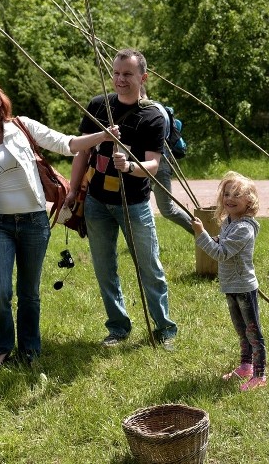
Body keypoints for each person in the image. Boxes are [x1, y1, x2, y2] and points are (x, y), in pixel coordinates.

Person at [0, 76, 119, 371]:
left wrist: (101, 136)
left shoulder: (22, 127)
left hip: (34, 222)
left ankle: (30, 348)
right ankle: (2, 347)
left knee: (29, 291)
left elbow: (67, 144)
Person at [67, 48, 179, 350]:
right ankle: (118, 327)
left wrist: (129, 166)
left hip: (134, 204)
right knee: (105, 268)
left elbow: (154, 164)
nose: (119, 79)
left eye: (127, 74)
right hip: (97, 202)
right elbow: (83, 153)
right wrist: (72, 190)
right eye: (116, 73)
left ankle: (165, 328)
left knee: (149, 266)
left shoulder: (153, 116)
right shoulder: (98, 106)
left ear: (143, 77)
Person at [192, 171, 268, 391]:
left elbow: (221, 253)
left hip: (244, 288)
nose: (230, 199)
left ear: (249, 200)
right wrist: (212, 237)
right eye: (227, 194)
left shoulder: (244, 228)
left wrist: (202, 234)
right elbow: (222, 242)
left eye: (237, 194)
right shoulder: (228, 222)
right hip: (230, 286)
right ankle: (246, 366)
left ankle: (260, 374)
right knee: (241, 329)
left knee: (253, 331)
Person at [141, 87, 193, 235]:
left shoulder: (154, 111)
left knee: (167, 209)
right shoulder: (148, 108)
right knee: (138, 205)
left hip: (160, 162)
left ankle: (202, 233)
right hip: (142, 163)